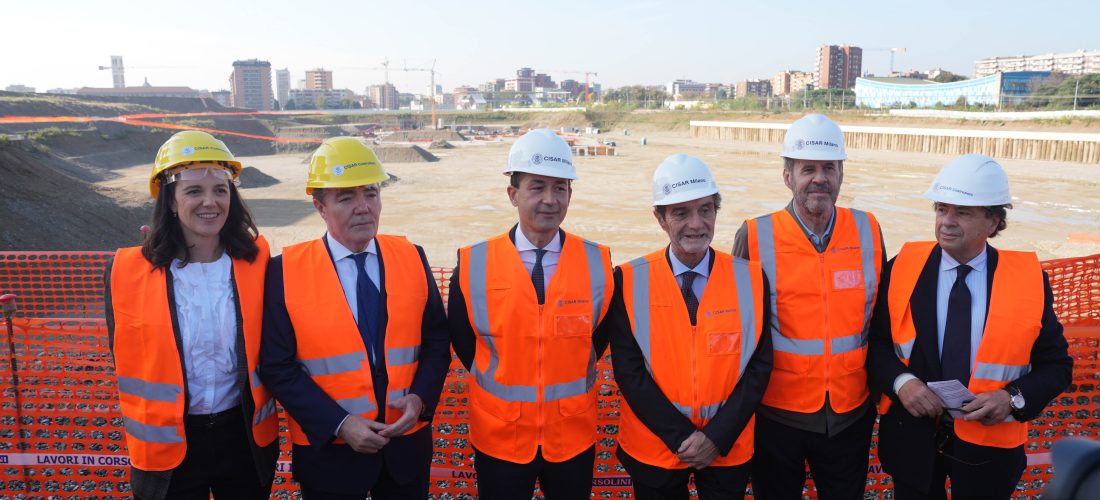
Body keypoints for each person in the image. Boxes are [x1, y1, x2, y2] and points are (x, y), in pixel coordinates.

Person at [866, 154, 1072, 499]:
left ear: (993, 222)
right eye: (941, 209)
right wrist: (903, 383)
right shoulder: (902, 267)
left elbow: (1057, 366)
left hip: (989, 453)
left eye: (962, 212)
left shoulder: (1028, 282)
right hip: (912, 442)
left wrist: (1012, 399)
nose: (946, 222)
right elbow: (875, 344)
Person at [258, 137, 451, 499]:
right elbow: (276, 365)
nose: (363, 207)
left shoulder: (411, 257)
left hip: (405, 450)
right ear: (320, 207)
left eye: (371, 193)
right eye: (346, 198)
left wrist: (420, 399)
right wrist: (340, 424)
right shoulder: (285, 272)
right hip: (330, 457)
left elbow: (437, 341)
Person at [105, 130, 278, 499]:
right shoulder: (126, 273)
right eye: (194, 191)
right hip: (167, 449)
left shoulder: (258, 261)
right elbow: (123, 354)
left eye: (220, 190)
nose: (210, 202)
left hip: (244, 441)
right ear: (170, 200)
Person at [448, 128, 615, 499]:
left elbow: (598, 337)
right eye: (537, 187)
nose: (550, 200)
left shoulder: (598, 263)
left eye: (560, 188)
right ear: (513, 194)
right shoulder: (474, 264)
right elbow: (465, 341)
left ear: (570, 194)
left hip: (571, 436)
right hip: (500, 437)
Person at [731, 114, 885, 499]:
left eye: (829, 168)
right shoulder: (755, 235)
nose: (820, 178)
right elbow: (737, 327)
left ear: (841, 174)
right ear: (788, 177)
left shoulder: (868, 229)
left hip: (850, 414)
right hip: (776, 416)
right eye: (808, 169)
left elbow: (883, 318)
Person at [609, 154, 772, 499]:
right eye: (681, 213)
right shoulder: (628, 280)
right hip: (655, 449)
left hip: (727, 449)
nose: (696, 224)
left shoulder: (752, 279)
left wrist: (716, 437)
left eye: (705, 210)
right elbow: (629, 371)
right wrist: (681, 437)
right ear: (660, 218)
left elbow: (759, 366)